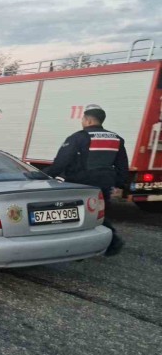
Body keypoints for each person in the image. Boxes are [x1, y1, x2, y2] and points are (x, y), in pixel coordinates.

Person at [44, 106, 128, 256]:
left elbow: (62, 161)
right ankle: (104, 243)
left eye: (83, 119)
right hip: (103, 183)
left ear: (88, 120)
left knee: (73, 215)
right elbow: (122, 164)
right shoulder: (116, 138)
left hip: (80, 184)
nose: (82, 121)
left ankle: (107, 243)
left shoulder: (78, 137)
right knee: (98, 214)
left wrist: (46, 175)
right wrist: (120, 183)